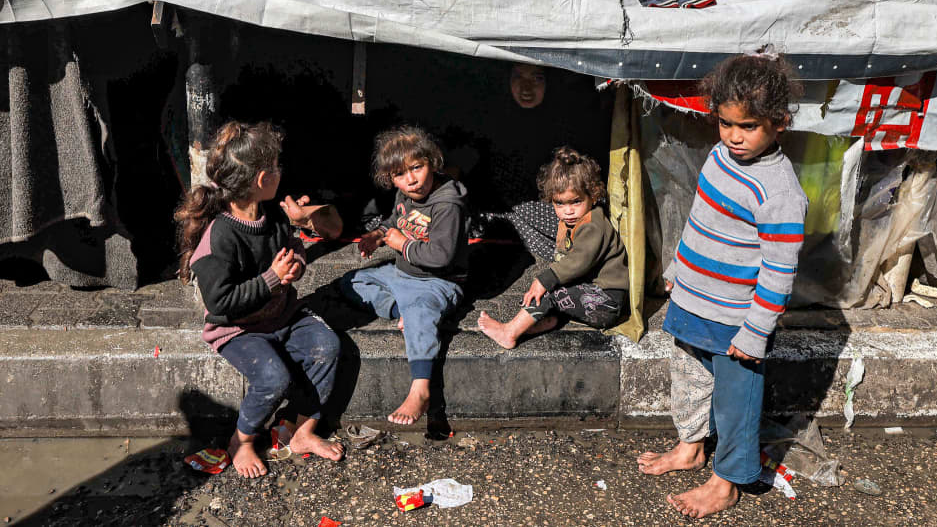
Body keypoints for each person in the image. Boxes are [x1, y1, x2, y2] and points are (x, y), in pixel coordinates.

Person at [636, 53, 809, 518]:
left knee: (737, 401)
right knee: (689, 377)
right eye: (726, 123)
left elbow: (778, 271)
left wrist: (756, 332)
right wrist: (678, 270)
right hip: (694, 296)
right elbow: (701, 220)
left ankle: (727, 480)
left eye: (748, 126)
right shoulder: (720, 156)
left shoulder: (780, 192)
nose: (734, 136)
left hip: (736, 318)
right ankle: (690, 446)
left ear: (779, 122)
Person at [175, 121, 345, 478]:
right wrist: (271, 278)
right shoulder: (219, 237)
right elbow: (221, 303)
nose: (282, 173)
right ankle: (242, 440)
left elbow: (292, 247)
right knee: (272, 377)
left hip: (281, 315)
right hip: (239, 329)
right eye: (277, 168)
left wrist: (295, 265)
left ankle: (302, 431)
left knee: (327, 345)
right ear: (263, 179)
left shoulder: (272, 218)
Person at [338, 126, 470, 426]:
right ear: (390, 178)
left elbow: (440, 257)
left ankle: (420, 388)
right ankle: (402, 312)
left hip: (439, 282)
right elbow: (396, 220)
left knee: (421, 312)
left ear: (431, 162)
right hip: (403, 274)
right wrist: (379, 234)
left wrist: (401, 244)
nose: (410, 179)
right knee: (353, 282)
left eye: (416, 168)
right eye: (400, 174)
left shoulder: (447, 203)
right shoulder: (405, 192)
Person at [477, 147, 628, 347]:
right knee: (553, 290)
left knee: (550, 292)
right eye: (559, 204)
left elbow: (579, 261)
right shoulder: (573, 220)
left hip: (605, 302)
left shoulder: (594, 225)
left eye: (576, 202)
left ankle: (510, 332)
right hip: (589, 292)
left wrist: (545, 279)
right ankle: (545, 322)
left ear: (592, 195)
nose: (568, 211)